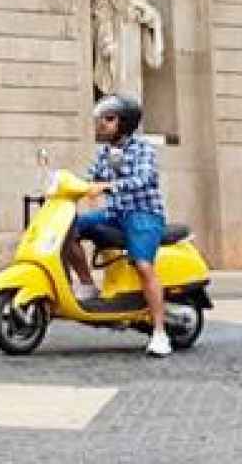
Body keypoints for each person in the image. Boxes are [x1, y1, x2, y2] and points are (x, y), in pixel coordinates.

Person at [62, 94, 173, 357]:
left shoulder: (143, 148)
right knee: (68, 228)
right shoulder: (105, 152)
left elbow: (145, 178)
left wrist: (110, 186)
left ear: (124, 123)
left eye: (108, 119)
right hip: (115, 213)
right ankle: (87, 284)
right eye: (102, 119)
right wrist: (66, 186)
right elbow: (90, 178)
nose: (101, 124)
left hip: (144, 214)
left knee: (144, 266)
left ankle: (160, 333)